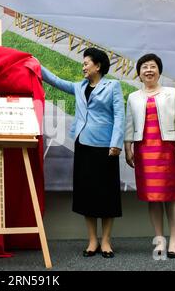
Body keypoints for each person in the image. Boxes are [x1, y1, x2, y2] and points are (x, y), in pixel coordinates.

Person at [41, 47, 125, 258]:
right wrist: (36, 65)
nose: (83, 67)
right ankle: (92, 241)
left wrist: (116, 143)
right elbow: (57, 81)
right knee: (87, 193)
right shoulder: (79, 87)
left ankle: (106, 240)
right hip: (83, 144)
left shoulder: (112, 85)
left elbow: (120, 117)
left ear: (98, 65)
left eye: (86, 63)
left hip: (106, 148)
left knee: (106, 194)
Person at [124, 53, 175, 259]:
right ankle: (159, 240)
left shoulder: (172, 93)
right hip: (144, 151)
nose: (148, 70)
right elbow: (129, 125)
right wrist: (128, 149)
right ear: (139, 74)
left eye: (152, 66)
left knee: (172, 196)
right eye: (144, 67)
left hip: (167, 151)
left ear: (159, 71)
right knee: (153, 198)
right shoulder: (133, 97)